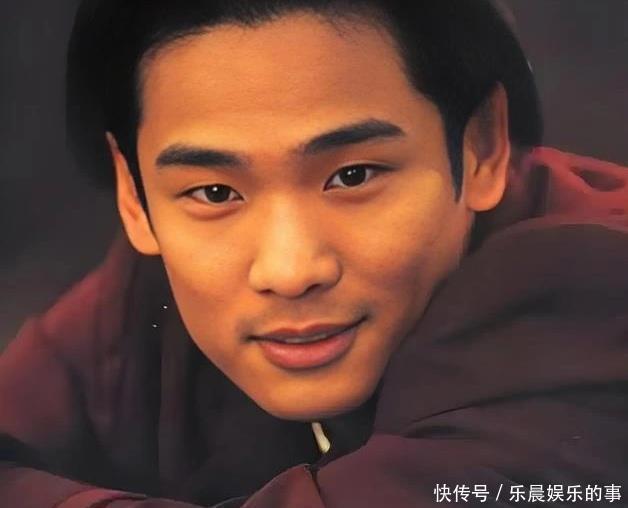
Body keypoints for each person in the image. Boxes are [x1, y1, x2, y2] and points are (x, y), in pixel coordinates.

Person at [1, 0, 627, 506]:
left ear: (483, 147)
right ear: (134, 196)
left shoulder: (591, 286)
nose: (290, 270)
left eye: (353, 176)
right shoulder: (162, 278)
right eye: (216, 191)